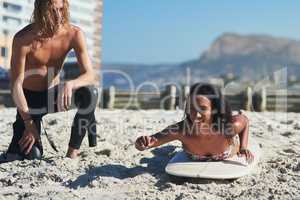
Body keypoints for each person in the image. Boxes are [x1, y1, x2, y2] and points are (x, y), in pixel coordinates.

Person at [0, 0, 98, 163]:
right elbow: (16, 86)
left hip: (54, 95)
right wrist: (28, 122)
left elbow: (90, 75)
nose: (58, 16)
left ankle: (72, 152)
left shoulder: (74, 34)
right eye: (52, 11)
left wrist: (70, 84)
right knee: (31, 156)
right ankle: (20, 144)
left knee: (90, 92)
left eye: (61, 9)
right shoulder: (23, 39)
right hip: (29, 101)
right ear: (40, 10)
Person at [135, 83, 254, 163]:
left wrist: (243, 147)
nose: (196, 115)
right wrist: (141, 142)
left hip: (230, 148)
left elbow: (245, 121)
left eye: (202, 109)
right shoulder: (181, 130)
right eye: (192, 108)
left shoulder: (228, 127)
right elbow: (149, 143)